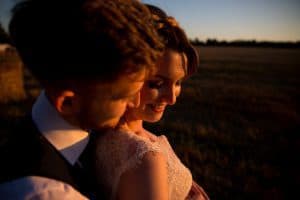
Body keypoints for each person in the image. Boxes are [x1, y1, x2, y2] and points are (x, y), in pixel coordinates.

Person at [0, 0, 163, 199]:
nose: (135, 104)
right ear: (68, 103)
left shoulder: (80, 124)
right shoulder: (48, 193)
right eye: (123, 97)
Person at [94, 4, 209, 200]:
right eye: (157, 83)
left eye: (178, 82)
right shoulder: (144, 159)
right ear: (127, 77)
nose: (171, 98)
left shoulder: (116, 136)